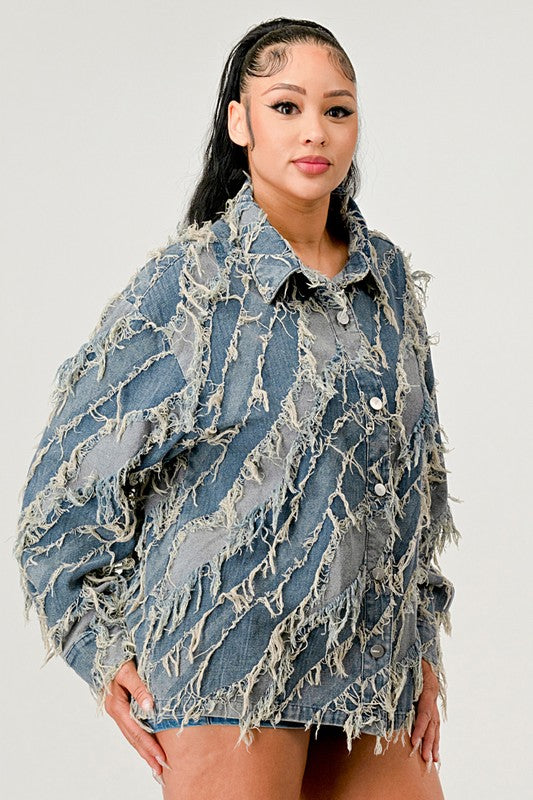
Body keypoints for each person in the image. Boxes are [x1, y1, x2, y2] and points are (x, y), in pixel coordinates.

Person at [13, 16, 461, 800]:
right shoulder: (187, 289)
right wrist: (101, 649)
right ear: (238, 122)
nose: (313, 130)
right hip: (228, 662)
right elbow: (63, 496)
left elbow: (412, 481)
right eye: (285, 106)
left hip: (370, 667)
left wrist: (420, 643)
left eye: (336, 109)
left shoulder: (387, 281)